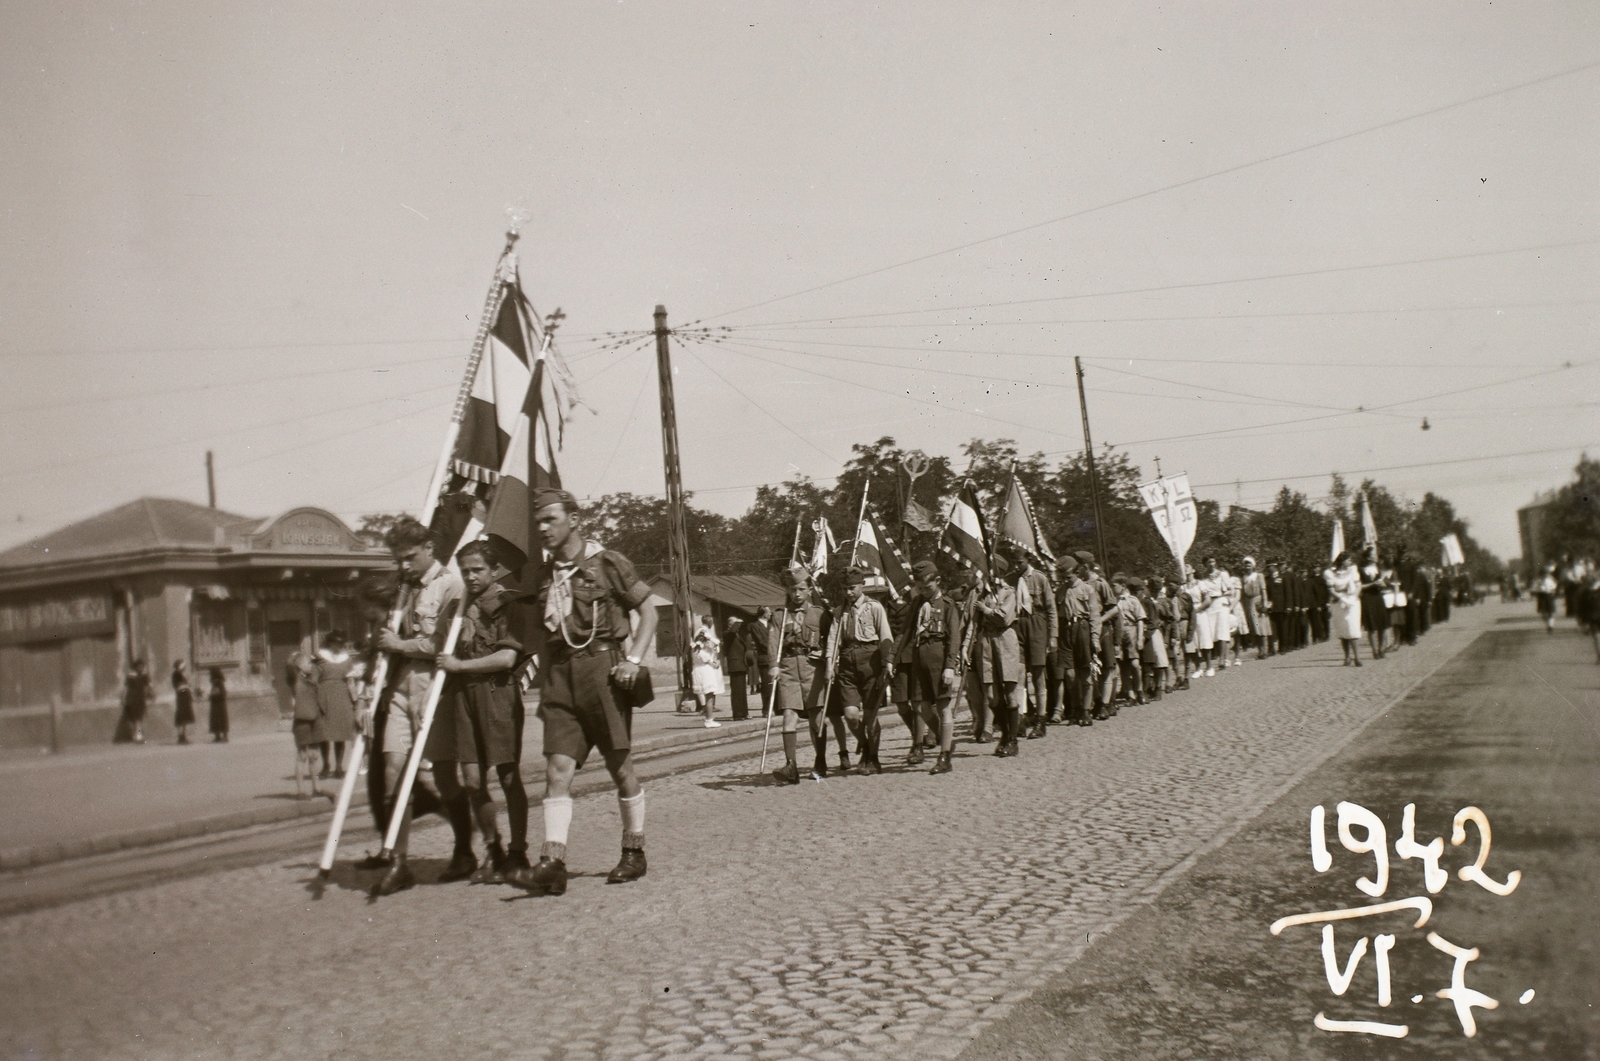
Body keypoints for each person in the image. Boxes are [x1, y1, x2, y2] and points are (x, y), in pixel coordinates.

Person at [508, 489, 659, 897]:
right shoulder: (542, 576)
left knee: (620, 768)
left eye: (550, 519)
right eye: (538, 522)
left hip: (603, 671)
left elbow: (649, 610)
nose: (542, 528)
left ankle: (634, 851)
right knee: (557, 769)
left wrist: (636, 660)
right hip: (560, 676)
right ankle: (553, 862)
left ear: (574, 520)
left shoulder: (607, 563)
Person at [369, 516, 469, 897]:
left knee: (443, 776)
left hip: (434, 686)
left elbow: (445, 645)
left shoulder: (452, 585)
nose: (404, 565)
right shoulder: (403, 587)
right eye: (398, 559)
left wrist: (399, 645)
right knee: (393, 767)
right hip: (400, 684)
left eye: (410, 557)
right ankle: (399, 861)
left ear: (429, 548)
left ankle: (463, 850)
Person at [432, 539, 531, 885]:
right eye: (465, 571)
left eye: (477, 570)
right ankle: (495, 849)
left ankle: (519, 851)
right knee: (473, 781)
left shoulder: (509, 605)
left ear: (493, 570)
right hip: (463, 697)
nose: (471, 576)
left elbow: (507, 658)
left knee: (507, 776)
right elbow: (439, 644)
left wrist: (458, 666)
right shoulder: (458, 608)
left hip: (497, 694)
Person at [896, 560, 964, 774]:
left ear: (938, 581)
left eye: (928, 587)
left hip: (939, 660)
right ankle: (947, 740)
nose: (924, 592)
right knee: (921, 707)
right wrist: (892, 658)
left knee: (943, 708)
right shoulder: (916, 604)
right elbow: (906, 632)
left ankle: (944, 757)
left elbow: (954, 637)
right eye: (920, 588)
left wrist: (949, 666)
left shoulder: (948, 604)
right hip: (918, 660)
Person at [826, 567, 895, 774]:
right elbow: (833, 640)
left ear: (861, 586)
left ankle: (873, 758)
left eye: (852, 588)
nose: (848, 592)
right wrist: (829, 664)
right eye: (845, 588)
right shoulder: (840, 612)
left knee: (871, 716)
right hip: (847, 664)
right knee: (851, 716)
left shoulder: (874, 608)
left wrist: (887, 663)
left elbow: (885, 637)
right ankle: (865, 744)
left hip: (870, 662)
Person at [972, 557, 1023, 756]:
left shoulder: (1009, 592)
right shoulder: (981, 593)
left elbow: (1004, 617)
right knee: (992, 696)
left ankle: (1012, 739)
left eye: (990, 571)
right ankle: (1004, 734)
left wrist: (986, 610)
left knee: (1010, 692)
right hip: (986, 642)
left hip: (1005, 640)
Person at [1007, 549, 1057, 740]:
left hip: (1037, 624)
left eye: (1019, 562)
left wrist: (1053, 636)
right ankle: (1020, 719)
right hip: (1017, 626)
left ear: (1028, 559)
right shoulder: (1009, 580)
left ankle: (1040, 720)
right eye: (1014, 563)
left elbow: (1051, 609)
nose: (1016, 566)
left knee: (1038, 674)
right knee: (1019, 674)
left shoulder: (1040, 579)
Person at [1056, 557, 1100, 723]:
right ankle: (1075, 707)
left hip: (1082, 630)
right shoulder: (1060, 591)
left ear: (1076, 572)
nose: (1066, 580)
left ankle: (1086, 710)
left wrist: (1094, 639)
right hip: (1065, 631)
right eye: (1063, 577)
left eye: (1069, 576)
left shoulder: (1087, 590)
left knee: (1086, 673)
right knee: (1070, 675)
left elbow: (1095, 616)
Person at [315, 631, 357, 776]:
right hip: (323, 694)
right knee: (324, 732)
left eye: (341, 644)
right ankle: (326, 765)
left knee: (340, 732)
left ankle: (339, 766)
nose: (339, 646)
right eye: (336, 643)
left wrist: (355, 700)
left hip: (341, 695)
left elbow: (350, 681)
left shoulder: (346, 660)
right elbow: (311, 675)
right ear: (329, 643)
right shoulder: (319, 657)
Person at [289, 648, 326, 799]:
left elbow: (321, 665)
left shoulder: (313, 677)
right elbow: (289, 667)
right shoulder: (295, 679)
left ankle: (316, 788)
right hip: (302, 721)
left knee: (314, 755)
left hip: (315, 719)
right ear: (299, 666)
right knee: (302, 756)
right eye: (308, 663)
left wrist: (314, 658)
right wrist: (296, 656)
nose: (311, 665)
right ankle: (300, 791)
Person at [1325, 552, 1363, 666]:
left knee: (1353, 628)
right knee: (1342, 629)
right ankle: (1347, 657)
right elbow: (1331, 590)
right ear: (1342, 561)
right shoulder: (1330, 573)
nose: (1350, 562)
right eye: (1348, 560)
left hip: (1352, 601)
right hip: (1338, 601)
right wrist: (1341, 598)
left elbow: (1358, 585)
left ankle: (1357, 657)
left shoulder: (1353, 570)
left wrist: (1353, 598)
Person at [690, 615, 724, 728]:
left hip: (703, 667)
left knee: (709, 693)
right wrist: (711, 661)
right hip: (704, 667)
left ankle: (709, 717)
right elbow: (701, 654)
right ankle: (709, 720)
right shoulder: (703, 633)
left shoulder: (702, 633)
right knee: (709, 694)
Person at [1358, 549, 1390, 660]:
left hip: (1378, 597)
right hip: (1367, 598)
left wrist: (1382, 584)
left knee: (1382, 624)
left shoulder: (1378, 568)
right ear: (1367, 557)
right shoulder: (1360, 570)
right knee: (1371, 626)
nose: (1375, 557)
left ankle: (1381, 648)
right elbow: (1359, 586)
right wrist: (1373, 584)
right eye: (1372, 555)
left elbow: (1384, 583)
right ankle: (1374, 650)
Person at [722, 616, 754, 722]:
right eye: (735, 623)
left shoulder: (737, 634)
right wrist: (738, 622)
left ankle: (744, 712)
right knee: (737, 691)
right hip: (735, 665)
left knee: (742, 691)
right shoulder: (727, 634)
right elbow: (732, 632)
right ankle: (737, 714)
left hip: (741, 664)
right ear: (730, 624)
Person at [115, 659, 152, 744]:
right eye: (139, 666)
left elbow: (149, 686)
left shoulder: (144, 676)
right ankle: (137, 735)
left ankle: (137, 735)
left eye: (142, 666)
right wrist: (123, 698)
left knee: (139, 718)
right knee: (136, 718)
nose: (141, 668)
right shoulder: (131, 676)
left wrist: (151, 694)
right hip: (132, 699)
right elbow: (126, 688)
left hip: (141, 698)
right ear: (136, 667)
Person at [1239, 557, 1269, 660]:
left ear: (1253, 566)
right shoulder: (1244, 578)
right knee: (1254, 627)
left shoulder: (1259, 576)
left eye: (1249, 565)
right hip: (1248, 602)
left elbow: (1263, 590)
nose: (1247, 567)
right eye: (1246, 565)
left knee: (1261, 625)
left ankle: (1265, 650)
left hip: (1258, 600)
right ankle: (1259, 650)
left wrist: (1264, 603)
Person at [171, 660, 196, 745]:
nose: (183, 667)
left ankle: (183, 735)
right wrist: (187, 686)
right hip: (181, 696)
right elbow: (178, 686)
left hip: (185, 697)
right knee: (181, 716)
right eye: (182, 665)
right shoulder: (176, 674)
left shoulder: (182, 674)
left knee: (185, 716)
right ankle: (180, 736)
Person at [1532, 563, 1560, 633]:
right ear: (1541, 574)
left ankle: (1550, 626)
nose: (1545, 575)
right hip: (1542, 596)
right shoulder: (1538, 581)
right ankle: (1548, 624)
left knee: (1551, 612)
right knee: (1543, 613)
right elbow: (1534, 589)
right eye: (1544, 573)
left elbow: (1555, 586)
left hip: (1549, 595)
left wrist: (1554, 591)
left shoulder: (1551, 579)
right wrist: (1537, 590)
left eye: (1546, 573)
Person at [206, 667, 229, 743]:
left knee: (220, 719)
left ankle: (223, 736)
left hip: (219, 704)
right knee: (217, 720)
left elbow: (223, 693)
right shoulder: (216, 683)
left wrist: (213, 695)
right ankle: (218, 736)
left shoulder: (219, 682)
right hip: (216, 704)